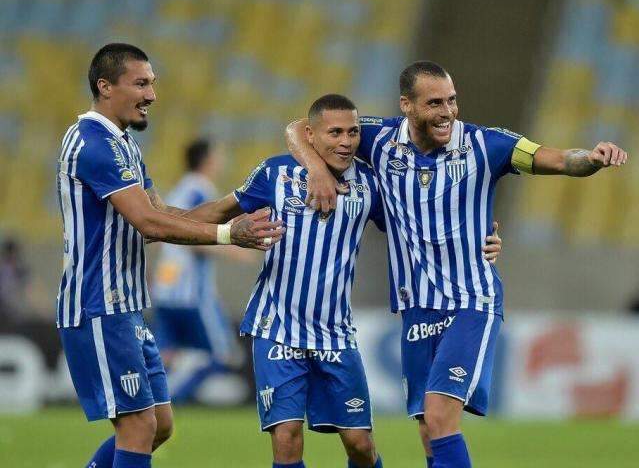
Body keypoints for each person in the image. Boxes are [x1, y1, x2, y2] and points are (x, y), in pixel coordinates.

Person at [285, 61, 627, 468]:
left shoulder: (488, 144)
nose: (447, 111)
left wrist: (591, 157)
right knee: (429, 430)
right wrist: (316, 171)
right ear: (407, 105)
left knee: (440, 415)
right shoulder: (376, 138)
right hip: (416, 306)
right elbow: (296, 128)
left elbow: (556, 159)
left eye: (451, 100)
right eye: (434, 103)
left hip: (470, 301)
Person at [182, 93, 501, 468]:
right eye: (334, 132)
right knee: (286, 437)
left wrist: (484, 238)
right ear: (310, 136)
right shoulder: (276, 174)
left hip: (334, 332)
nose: (346, 141)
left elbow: (421, 223)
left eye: (352, 132)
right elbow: (219, 210)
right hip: (277, 324)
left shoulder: (370, 185)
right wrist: (161, 222)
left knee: (360, 445)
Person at [56, 43, 284, 468]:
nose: (152, 95)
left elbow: (166, 214)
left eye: (153, 84)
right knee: (139, 427)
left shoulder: (122, 144)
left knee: (159, 425)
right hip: (97, 304)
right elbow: (150, 224)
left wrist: (241, 200)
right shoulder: (92, 143)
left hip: (126, 306)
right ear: (105, 87)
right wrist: (227, 235)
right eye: (141, 83)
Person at [152, 137, 251, 403]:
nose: (221, 161)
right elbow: (194, 238)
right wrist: (234, 247)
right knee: (224, 355)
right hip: (191, 291)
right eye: (218, 155)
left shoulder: (178, 191)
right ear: (207, 160)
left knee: (165, 354)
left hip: (165, 288)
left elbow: (164, 237)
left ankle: (148, 404)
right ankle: (171, 397)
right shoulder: (200, 191)